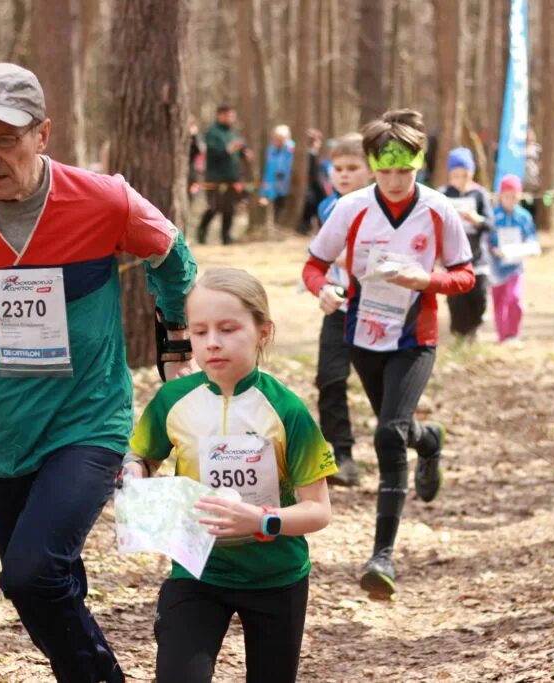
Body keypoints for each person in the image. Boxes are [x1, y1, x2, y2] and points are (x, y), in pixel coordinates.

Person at [0, 62, 198, 682]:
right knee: (52, 585)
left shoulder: (103, 199)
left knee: (29, 574)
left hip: (89, 419)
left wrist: (176, 339)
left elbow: (171, 252)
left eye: (4, 138)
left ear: (42, 135)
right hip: (1, 432)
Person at [125, 267, 335, 683]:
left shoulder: (286, 410)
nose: (212, 343)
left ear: (263, 332)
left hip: (276, 576)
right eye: (200, 332)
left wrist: (262, 521)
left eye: (228, 328)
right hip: (197, 572)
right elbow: (143, 454)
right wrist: (135, 470)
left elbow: (318, 511)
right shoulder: (173, 399)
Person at [302, 109, 475, 598]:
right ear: (372, 165)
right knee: (396, 429)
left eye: (407, 170)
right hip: (362, 333)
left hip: (415, 337)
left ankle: (382, 556)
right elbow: (314, 265)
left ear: (420, 164)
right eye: (386, 170)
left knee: (387, 434)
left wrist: (427, 280)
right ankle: (430, 439)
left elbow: (465, 276)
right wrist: (324, 292)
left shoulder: (439, 210)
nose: (397, 181)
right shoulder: (351, 208)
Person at [314, 133, 373, 487]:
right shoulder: (327, 207)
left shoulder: (378, 206)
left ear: (369, 171)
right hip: (338, 305)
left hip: (378, 308)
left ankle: (399, 443)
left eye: (353, 168)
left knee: (378, 384)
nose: (344, 175)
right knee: (330, 378)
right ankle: (341, 454)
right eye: (338, 168)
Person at [441, 147, 492, 340]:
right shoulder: (443, 194)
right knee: (456, 300)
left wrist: (476, 219)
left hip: (477, 257)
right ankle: (459, 335)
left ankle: (475, 328)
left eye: (465, 175)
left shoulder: (479, 194)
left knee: (478, 297)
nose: (461, 180)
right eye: (456, 175)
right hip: (452, 259)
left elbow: (490, 224)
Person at [488, 174, 538, 343]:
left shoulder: (524, 217)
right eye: (506, 196)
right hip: (496, 266)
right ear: (500, 196)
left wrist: (527, 248)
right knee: (499, 301)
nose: (510, 200)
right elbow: (486, 239)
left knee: (514, 298)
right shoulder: (493, 216)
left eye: (514, 196)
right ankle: (502, 335)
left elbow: (531, 237)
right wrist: (494, 250)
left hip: (516, 265)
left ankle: (513, 333)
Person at [196, 105, 249, 245]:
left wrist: (244, 154)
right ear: (220, 115)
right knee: (214, 207)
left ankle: (226, 238)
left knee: (229, 209)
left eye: (233, 116)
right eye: (228, 116)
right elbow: (213, 152)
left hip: (231, 177)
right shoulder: (212, 133)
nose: (231, 119)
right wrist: (229, 149)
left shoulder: (233, 133)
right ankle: (201, 233)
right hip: (215, 177)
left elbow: (238, 152)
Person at [258, 124, 294, 217]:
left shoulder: (290, 149)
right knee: (276, 208)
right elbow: (269, 170)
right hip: (274, 185)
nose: (278, 141)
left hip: (287, 184)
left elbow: (289, 165)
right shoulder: (271, 150)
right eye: (276, 138)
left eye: (281, 139)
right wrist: (264, 192)